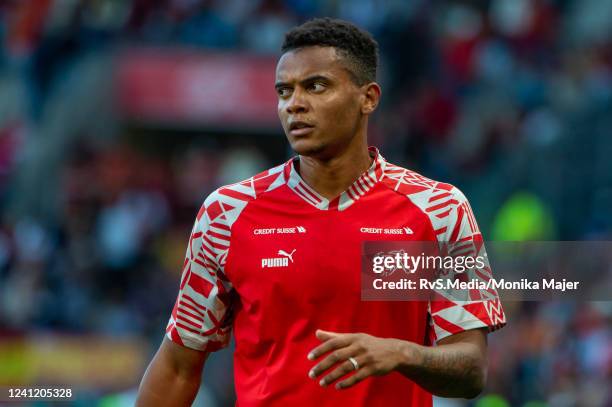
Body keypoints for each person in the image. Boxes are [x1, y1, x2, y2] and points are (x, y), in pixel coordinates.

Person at [136, 17, 506, 406]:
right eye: (284, 91)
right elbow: (178, 366)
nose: (294, 104)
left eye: (316, 86)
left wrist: (401, 353)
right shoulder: (227, 214)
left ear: (369, 98)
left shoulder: (438, 210)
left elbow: (471, 370)